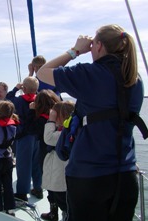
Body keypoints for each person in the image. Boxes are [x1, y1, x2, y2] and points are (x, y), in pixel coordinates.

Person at [37, 24, 146, 221]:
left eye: (93, 43)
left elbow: (43, 73)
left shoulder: (90, 74)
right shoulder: (135, 79)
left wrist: (76, 50)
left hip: (89, 177)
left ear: (99, 46)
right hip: (126, 176)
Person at [6, 76, 39, 201]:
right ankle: (38, 188)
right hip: (37, 136)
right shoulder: (40, 100)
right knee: (36, 164)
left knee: (23, 165)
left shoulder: (19, 102)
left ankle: (22, 193)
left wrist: (15, 88)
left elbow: (7, 99)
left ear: (24, 88)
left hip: (24, 136)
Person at [41, 101, 75, 221]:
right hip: (56, 169)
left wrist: (51, 120)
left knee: (63, 201)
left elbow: (49, 138)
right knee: (55, 195)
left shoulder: (66, 133)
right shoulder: (64, 129)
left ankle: (66, 216)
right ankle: (54, 214)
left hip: (61, 171)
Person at [26, 89, 60, 199]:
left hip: (47, 151)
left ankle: (53, 210)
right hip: (60, 149)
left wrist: (31, 111)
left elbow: (31, 129)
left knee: (48, 176)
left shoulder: (42, 119)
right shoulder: (59, 114)